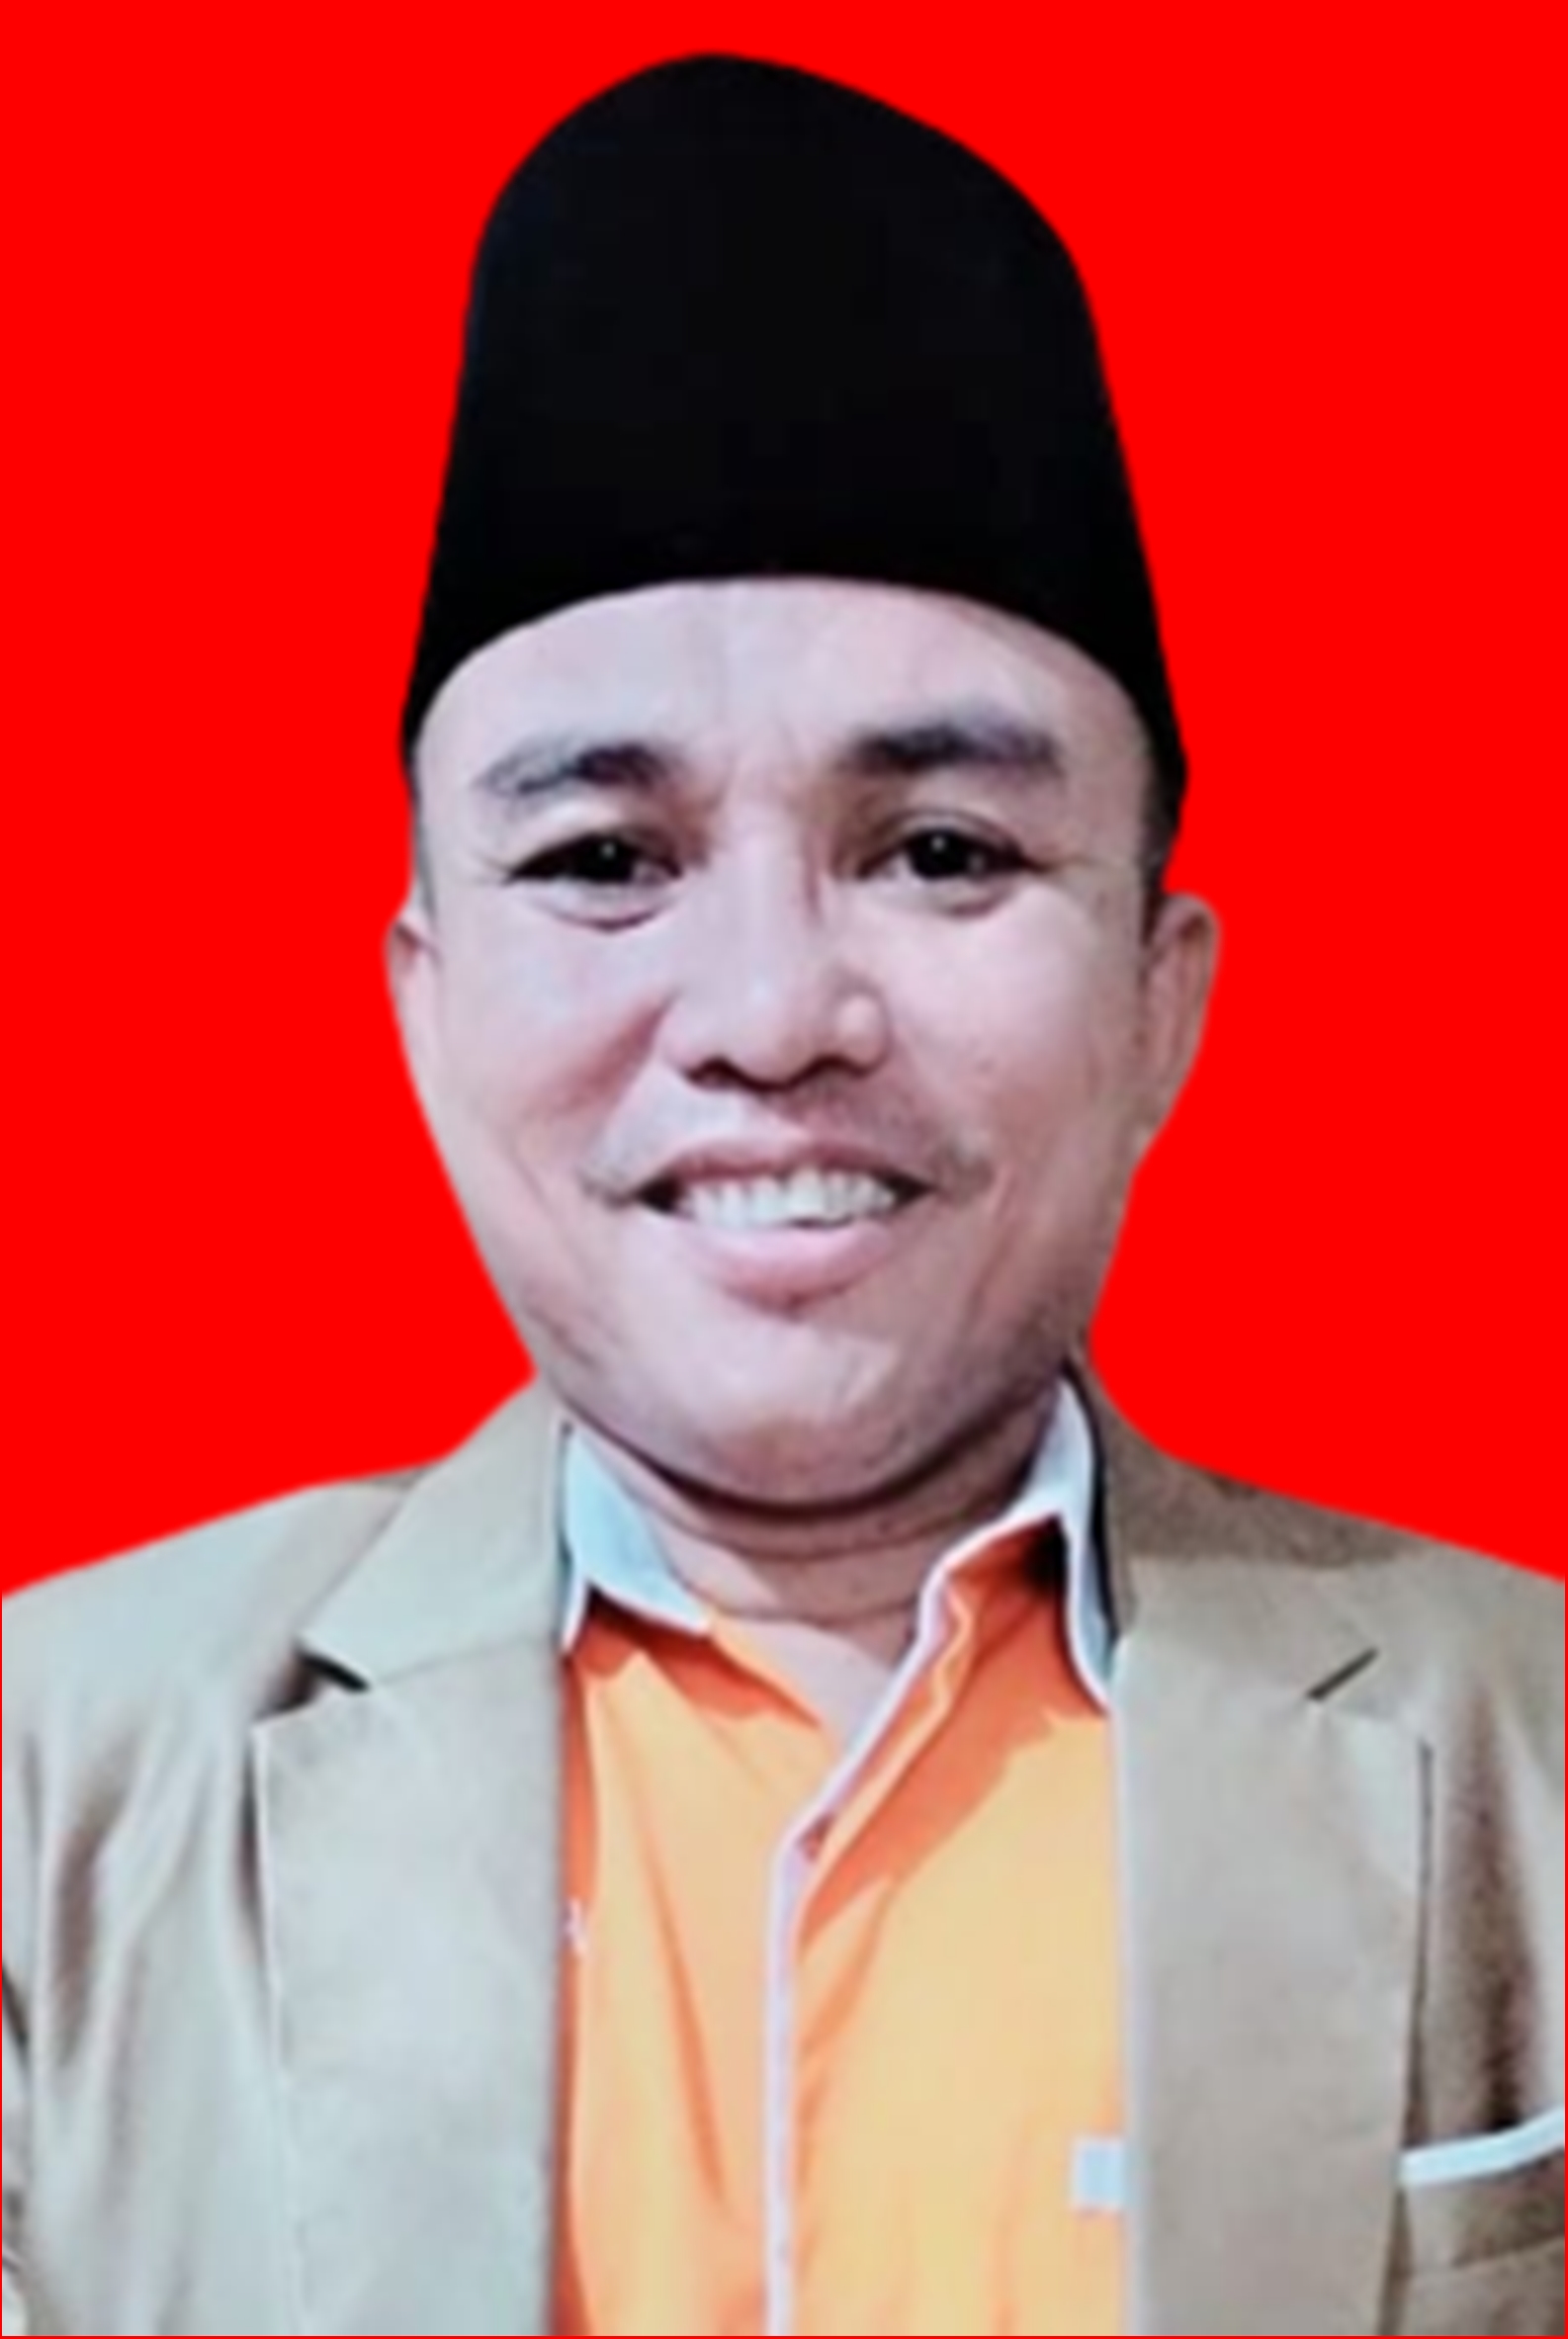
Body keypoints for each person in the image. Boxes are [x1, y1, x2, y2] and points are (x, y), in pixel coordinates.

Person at [3, 52, 1560, 2339]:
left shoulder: (1534, 1760)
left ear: (1160, 997)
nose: (766, 1012)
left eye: (936, 851)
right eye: (601, 858)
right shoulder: (46, 1796)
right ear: (425, 1005)